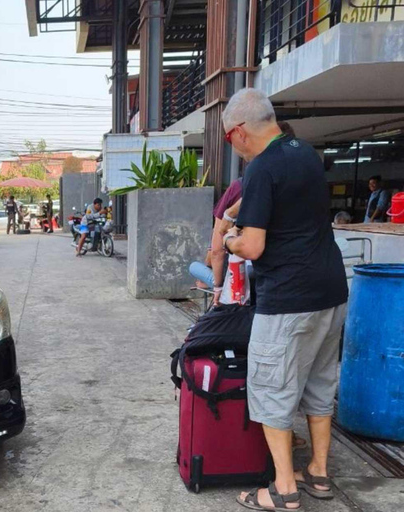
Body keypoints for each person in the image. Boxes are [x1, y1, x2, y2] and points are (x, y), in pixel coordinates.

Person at [221, 88, 348, 511]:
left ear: (238, 132)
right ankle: (318, 472)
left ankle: (283, 490)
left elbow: (254, 247)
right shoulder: (305, 153)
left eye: (227, 139)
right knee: (319, 383)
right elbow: (287, 205)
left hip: (289, 299)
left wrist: (231, 239)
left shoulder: (261, 168)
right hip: (331, 293)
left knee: (272, 390)